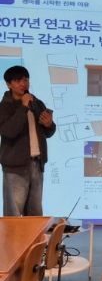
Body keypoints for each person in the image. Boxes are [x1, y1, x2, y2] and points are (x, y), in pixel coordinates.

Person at [0, 65, 56, 216]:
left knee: (35, 212)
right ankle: (14, 234)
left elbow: (48, 132)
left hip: (37, 164)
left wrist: (49, 125)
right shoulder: (4, 107)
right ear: (9, 84)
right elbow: (9, 131)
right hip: (15, 167)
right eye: (18, 80)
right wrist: (23, 107)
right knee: (14, 213)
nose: (23, 84)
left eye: (25, 80)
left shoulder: (37, 103)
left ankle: (35, 234)